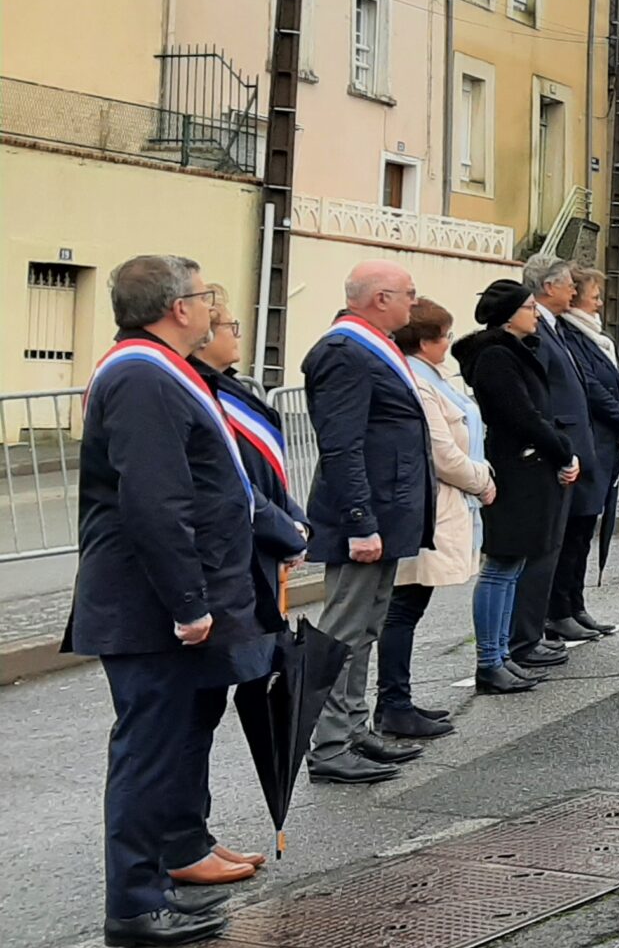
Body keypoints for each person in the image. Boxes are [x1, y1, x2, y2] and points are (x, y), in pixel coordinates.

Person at [71, 256, 277, 947]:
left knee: (174, 742)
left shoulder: (162, 368)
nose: (210, 306)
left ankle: (164, 872)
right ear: (177, 308)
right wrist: (188, 601)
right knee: (148, 750)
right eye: (204, 295)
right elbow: (154, 501)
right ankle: (133, 904)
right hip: (149, 605)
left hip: (169, 599)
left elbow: (210, 487)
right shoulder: (139, 374)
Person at [189, 286, 307, 881]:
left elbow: (263, 468)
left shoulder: (232, 387)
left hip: (255, 559)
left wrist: (292, 519)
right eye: (232, 324)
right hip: (229, 565)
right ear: (204, 334)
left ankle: (196, 835)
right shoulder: (193, 389)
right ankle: (186, 841)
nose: (240, 333)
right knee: (193, 713)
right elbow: (231, 487)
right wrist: (286, 530)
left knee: (205, 712)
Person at [301, 259, 432, 784]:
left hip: (385, 512)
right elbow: (341, 445)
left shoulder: (372, 346)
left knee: (366, 628)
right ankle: (330, 744)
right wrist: (359, 520)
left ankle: (354, 730)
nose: (413, 304)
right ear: (379, 298)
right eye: (407, 294)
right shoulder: (343, 351)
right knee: (343, 632)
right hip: (364, 517)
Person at [376, 299, 496, 739]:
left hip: (439, 502)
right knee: (402, 607)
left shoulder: (431, 377)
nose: (449, 342)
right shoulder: (419, 383)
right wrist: (481, 480)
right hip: (429, 505)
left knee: (408, 605)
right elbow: (442, 451)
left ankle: (397, 700)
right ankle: (392, 704)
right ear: (426, 341)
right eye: (444, 335)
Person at [453, 281, 579, 695]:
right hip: (516, 468)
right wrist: (561, 450)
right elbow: (522, 414)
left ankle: (503, 654)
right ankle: (490, 658)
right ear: (509, 316)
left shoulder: (510, 352)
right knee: (501, 565)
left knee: (514, 565)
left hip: (530, 466)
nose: (536, 314)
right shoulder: (495, 357)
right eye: (529, 307)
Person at [511, 255, 598, 670]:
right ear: (548, 287)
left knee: (566, 539)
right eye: (567, 285)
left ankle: (556, 614)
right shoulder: (537, 331)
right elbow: (540, 394)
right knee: (545, 546)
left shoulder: (554, 326)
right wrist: (558, 444)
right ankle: (534, 628)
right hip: (555, 448)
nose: (574, 292)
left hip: (568, 444)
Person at [544, 267, 619, 642]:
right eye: (594, 296)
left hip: (603, 442)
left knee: (584, 531)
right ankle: (559, 609)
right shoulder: (568, 335)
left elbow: (611, 379)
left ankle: (575, 605)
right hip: (589, 441)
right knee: (574, 530)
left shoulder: (595, 336)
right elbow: (590, 386)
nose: (599, 303)